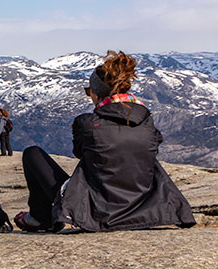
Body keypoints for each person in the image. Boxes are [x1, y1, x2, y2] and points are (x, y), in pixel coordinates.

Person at [15, 51, 194, 233]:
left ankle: (40, 218)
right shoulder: (147, 122)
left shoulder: (87, 123)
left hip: (99, 213)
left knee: (32, 154)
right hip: (143, 209)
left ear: (97, 93)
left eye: (89, 92)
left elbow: (79, 153)